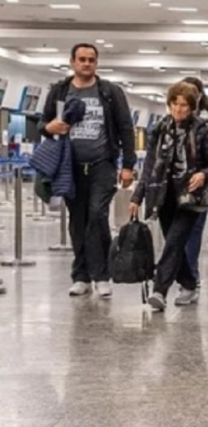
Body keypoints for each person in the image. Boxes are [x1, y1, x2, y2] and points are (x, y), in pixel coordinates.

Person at [39, 43, 136, 299]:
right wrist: (49, 127)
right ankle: (81, 275)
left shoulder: (110, 92)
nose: (86, 63)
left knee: (97, 215)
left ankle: (102, 275)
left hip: (102, 165)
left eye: (91, 59)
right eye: (82, 59)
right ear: (72, 62)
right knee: (78, 220)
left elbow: (126, 128)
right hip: (69, 167)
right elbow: (42, 123)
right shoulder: (60, 91)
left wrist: (128, 165)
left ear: (96, 63)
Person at [128, 81, 208, 311]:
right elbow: (150, 164)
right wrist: (137, 196)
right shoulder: (159, 128)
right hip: (163, 195)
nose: (178, 109)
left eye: (184, 105)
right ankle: (189, 283)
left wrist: (204, 175)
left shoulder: (202, 130)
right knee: (173, 244)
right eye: (174, 104)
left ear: (192, 107)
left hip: (190, 198)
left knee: (174, 241)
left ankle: (159, 291)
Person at [181, 77, 208, 295]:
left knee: (194, 230)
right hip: (175, 184)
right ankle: (178, 273)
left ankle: (191, 275)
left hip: (200, 184)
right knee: (176, 232)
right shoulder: (171, 120)